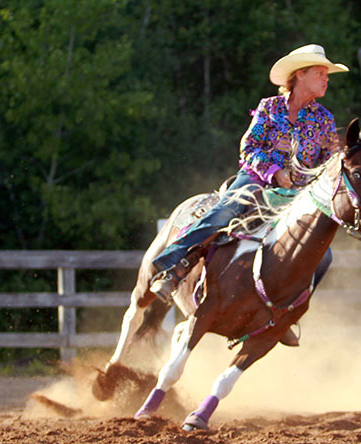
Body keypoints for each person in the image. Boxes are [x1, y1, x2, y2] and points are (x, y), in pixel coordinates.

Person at [149, 44, 349, 304]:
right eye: (320, 73)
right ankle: (173, 266)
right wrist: (275, 172)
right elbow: (249, 146)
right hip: (256, 179)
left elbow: (328, 164)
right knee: (224, 213)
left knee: (323, 256)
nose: (326, 79)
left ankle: (289, 308)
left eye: (326, 75)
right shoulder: (270, 107)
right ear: (300, 74)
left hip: (297, 195)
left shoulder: (324, 119)